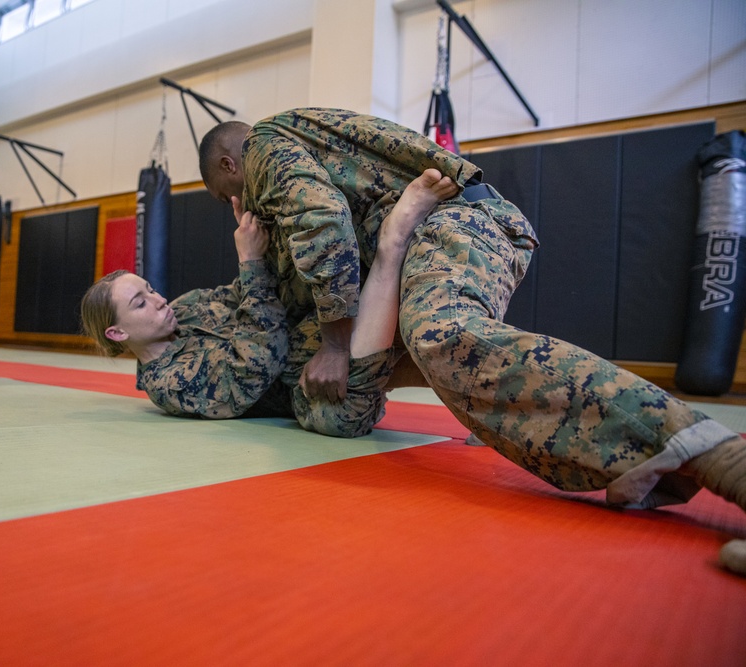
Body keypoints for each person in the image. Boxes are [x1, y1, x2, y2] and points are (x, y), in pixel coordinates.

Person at [198, 107, 746, 575]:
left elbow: (322, 218)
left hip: (455, 216)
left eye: (230, 193)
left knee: (443, 335)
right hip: (436, 231)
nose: (237, 206)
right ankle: (630, 451)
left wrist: (337, 345)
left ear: (230, 164)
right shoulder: (286, 182)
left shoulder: (263, 145)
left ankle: (721, 458)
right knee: (416, 354)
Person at [80, 170, 454, 436]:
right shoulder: (168, 383)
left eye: (149, 288)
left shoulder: (185, 306)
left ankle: (370, 225)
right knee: (341, 419)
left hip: (317, 328)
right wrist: (250, 263)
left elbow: (247, 292)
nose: (158, 300)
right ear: (117, 332)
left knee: (281, 260)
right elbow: (257, 362)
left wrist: (252, 238)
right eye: (140, 303)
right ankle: (394, 243)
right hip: (310, 378)